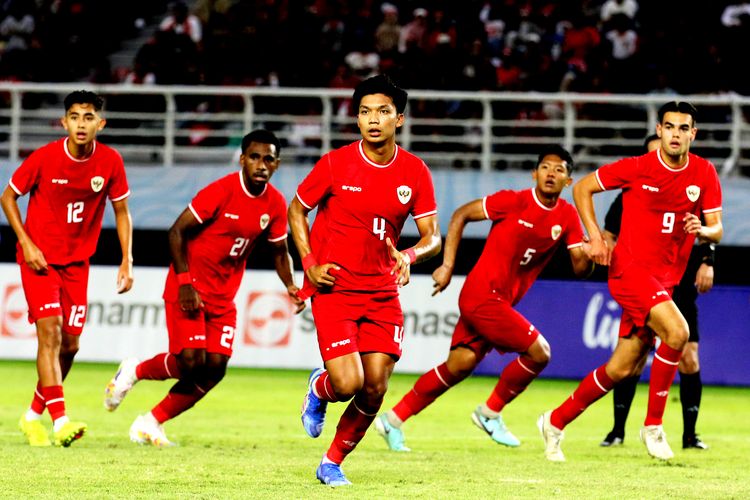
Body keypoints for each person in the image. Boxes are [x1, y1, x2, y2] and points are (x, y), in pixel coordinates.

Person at [375, 146, 593, 452]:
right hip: (482, 296)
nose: (551, 174)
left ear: (568, 181)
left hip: (501, 300)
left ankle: (392, 420)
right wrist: (449, 265)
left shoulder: (568, 216)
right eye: (545, 167)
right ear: (535, 173)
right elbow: (463, 213)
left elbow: (580, 269)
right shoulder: (512, 201)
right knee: (539, 352)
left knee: (458, 366)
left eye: (559, 170)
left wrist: (589, 252)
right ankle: (490, 413)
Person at [538, 101, 723, 462]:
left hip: (665, 280)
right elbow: (582, 189)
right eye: (669, 127)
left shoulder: (704, 172)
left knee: (620, 369)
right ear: (659, 130)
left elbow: (717, 226)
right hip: (629, 272)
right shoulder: (638, 167)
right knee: (678, 333)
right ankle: (653, 426)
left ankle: (555, 422)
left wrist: (703, 229)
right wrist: (593, 236)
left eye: (683, 128)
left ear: (693, 134)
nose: (675, 134)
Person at [103, 129, 304, 446]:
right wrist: (184, 282)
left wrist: (291, 285)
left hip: (224, 298)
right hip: (189, 287)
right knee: (190, 362)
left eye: (268, 159)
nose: (261, 164)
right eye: (254, 157)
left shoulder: (276, 204)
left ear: (276, 165)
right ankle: (134, 370)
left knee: (215, 369)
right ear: (242, 160)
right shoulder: (221, 191)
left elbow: (280, 251)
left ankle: (150, 423)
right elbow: (176, 232)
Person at [288, 74, 441, 487]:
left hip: (382, 292)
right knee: (347, 382)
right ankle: (320, 388)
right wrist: (309, 262)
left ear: (400, 119)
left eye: (383, 112)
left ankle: (332, 462)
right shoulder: (336, 163)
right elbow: (296, 210)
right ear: (357, 119)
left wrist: (409, 255)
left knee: (374, 388)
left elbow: (433, 238)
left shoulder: (414, 171)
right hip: (335, 288)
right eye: (365, 112)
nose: (373, 119)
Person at [1, 90, 134, 447]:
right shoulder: (44, 158)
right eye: (74, 116)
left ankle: (32, 416)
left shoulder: (110, 162)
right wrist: (27, 243)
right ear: (64, 122)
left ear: (100, 124)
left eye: (88, 117)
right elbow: (8, 197)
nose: (81, 123)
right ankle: (60, 421)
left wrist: (126, 259)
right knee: (51, 334)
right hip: (39, 262)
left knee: (71, 346)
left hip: (77, 265)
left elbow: (121, 212)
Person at [600, 134, 715, 450]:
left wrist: (708, 260)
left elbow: (709, 227)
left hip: (678, 283)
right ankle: (618, 430)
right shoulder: (628, 194)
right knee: (630, 362)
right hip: (641, 285)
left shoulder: (693, 186)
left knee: (689, 358)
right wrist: (605, 250)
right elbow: (609, 235)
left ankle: (689, 435)